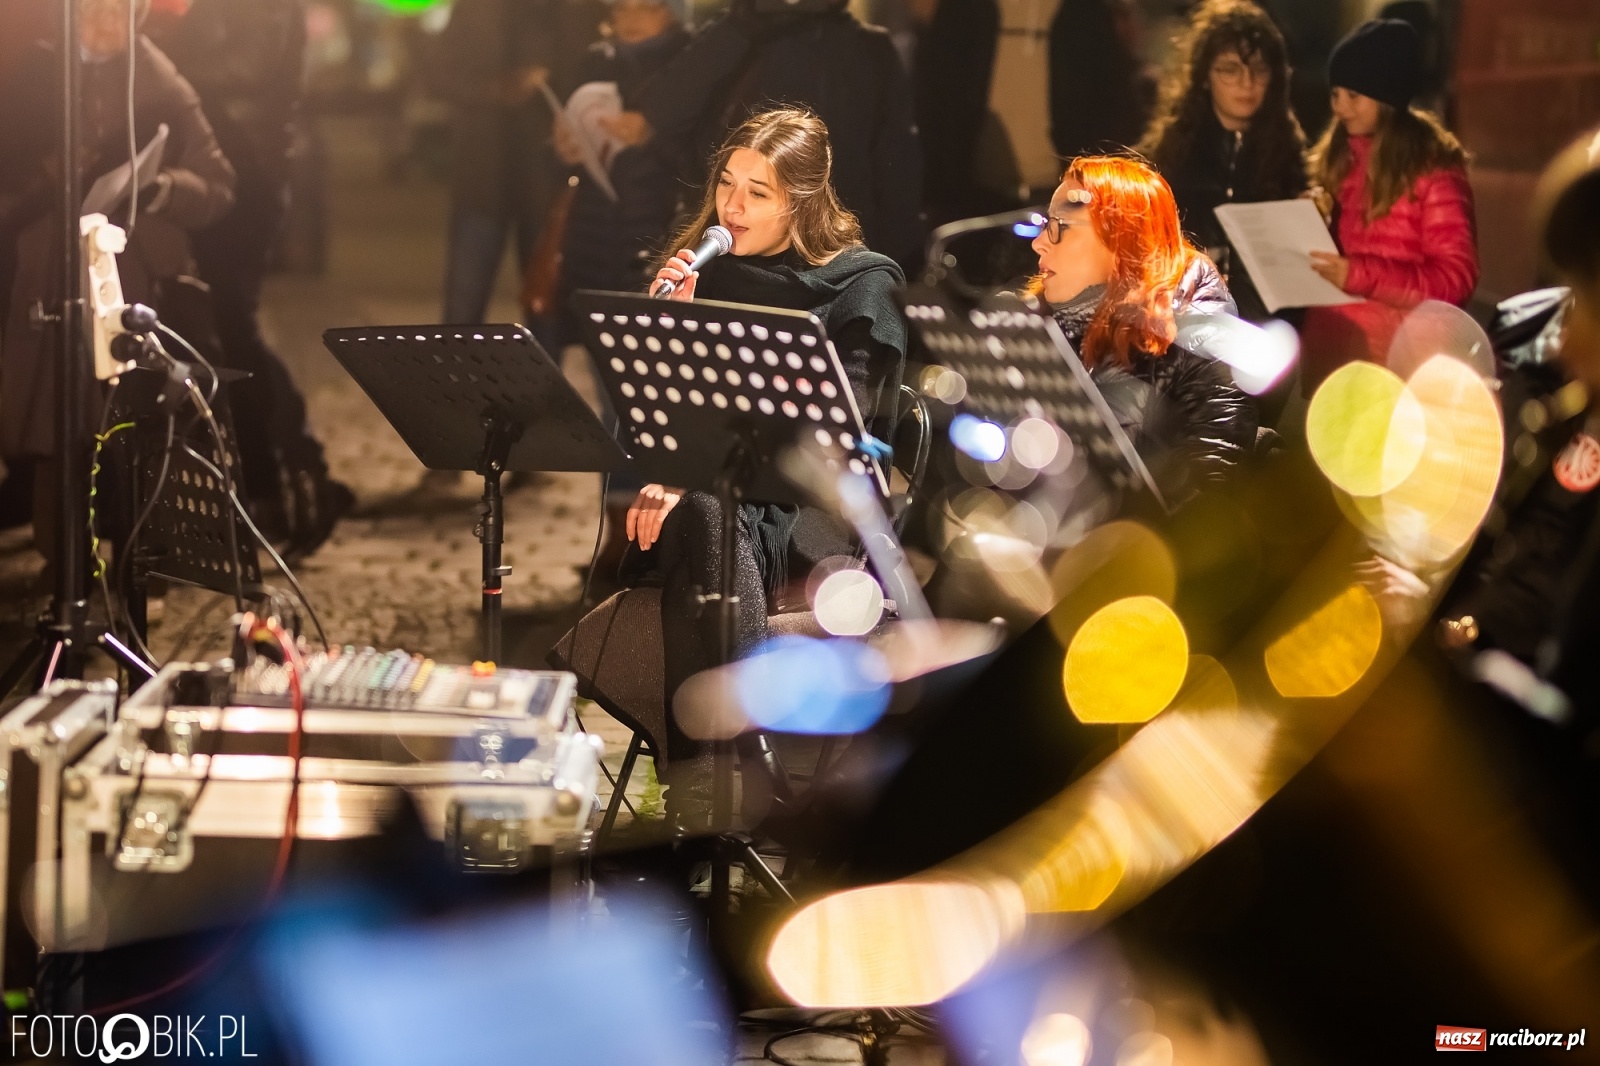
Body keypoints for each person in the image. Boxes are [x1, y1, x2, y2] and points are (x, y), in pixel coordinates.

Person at [624, 109, 907, 823]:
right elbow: (649, 426)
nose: (732, 206)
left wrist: (691, 479)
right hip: (712, 510)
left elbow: (845, 440)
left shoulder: (861, 286)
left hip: (807, 515)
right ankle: (727, 787)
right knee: (701, 514)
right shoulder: (704, 272)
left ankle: (711, 795)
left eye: (757, 192)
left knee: (704, 513)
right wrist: (668, 331)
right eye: (727, 184)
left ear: (801, 203)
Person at [0, 0, 235, 549]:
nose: (108, 26)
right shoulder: (32, 78)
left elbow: (218, 184)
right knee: (56, 427)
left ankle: (139, 559)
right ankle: (66, 568)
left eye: (120, 12)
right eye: (94, 11)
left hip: (135, 285)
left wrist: (165, 187)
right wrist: (42, 177)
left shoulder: (159, 81)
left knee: (136, 426)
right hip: (48, 282)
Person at [153, 0, 352, 557]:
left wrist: (164, 38)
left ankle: (295, 469)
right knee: (211, 323)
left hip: (247, 173)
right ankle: (263, 479)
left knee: (230, 322)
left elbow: (244, 70)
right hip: (214, 165)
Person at [1029, 155, 1256, 504]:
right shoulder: (1041, 320)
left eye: (1060, 225)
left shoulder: (1200, 335)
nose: (1039, 242)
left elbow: (1209, 495)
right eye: (1045, 223)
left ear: (1120, 238)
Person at [634, 0, 925, 272]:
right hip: (731, 246)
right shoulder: (739, 30)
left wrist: (882, 267)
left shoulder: (869, 49)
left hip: (831, 255)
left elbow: (897, 169)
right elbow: (663, 111)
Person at [1299, 18, 1478, 389]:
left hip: (1398, 365)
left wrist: (1358, 274)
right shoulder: (1335, 158)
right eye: (1335, 94)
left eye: (1353, 96)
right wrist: (1306, 224)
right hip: (1332, 361)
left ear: (1386, 97)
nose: (1340, 108)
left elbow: (1455, 278)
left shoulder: (1432, 168)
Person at [431, 0, 606, 325]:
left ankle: (542, 376)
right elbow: (439, 73)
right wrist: (496, 89)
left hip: (547, 177)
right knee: (463, 308)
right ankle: (454, 373)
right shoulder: (477, 8)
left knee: (544, 301)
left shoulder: (578, 8)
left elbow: (597, 72)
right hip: (483, 175)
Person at [1137, 0, 1307, 324]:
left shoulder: (1291, 162)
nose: (1246, 82)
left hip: (1264, 330)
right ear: (1205, 76)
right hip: (1185, 325)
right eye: (1230, 69)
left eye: (1258, 69)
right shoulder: (1169, 158)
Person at [553, 0, 692, 314]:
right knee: (595, 328)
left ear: (672, 11)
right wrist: (565, 145)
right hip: (592, 224)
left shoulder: (691, 66)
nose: (631, 18)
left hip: (659, 221)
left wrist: (651, 136)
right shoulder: (594, 61)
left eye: (645, 7)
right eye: (621, 8)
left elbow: (709, 150)